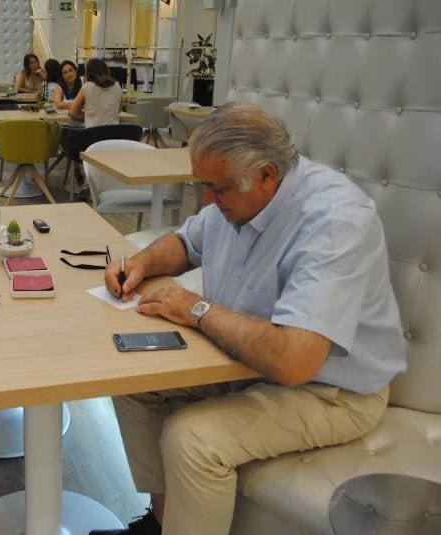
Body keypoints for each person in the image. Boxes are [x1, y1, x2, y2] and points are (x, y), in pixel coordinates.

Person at [92, 102, 407, 535]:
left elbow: (295, 362)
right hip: (245, 363)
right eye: (203, 185)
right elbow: (186, 242)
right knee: (134, 381)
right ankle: (161, 520)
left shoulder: (334, 223)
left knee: (192, 439)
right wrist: (142, 263)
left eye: (217, 189)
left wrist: (197, 309)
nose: (207, 199)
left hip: (333, 392)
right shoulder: (237, 196)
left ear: (267, 175)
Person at [69, 58, 122, 128]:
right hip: (113, 132)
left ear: (88, 73)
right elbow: (118, 111)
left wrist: (90, 116)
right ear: (106, 70)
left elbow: (73, 114)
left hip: (93, 132)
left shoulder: (87, 87)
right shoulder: (117, 86)